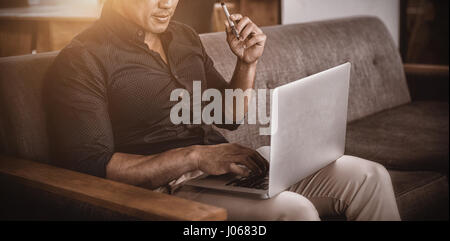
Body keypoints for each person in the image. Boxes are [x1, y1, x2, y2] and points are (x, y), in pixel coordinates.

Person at [45, 0, 401, 221]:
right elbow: (91, 169)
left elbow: (228, 115)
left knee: (369, 178)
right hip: (169, 190)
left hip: (224, 167)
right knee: (295, 212)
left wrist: (246, 63)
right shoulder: (83, 60)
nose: (167, 3)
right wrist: (196, 156)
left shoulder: (183, 36)